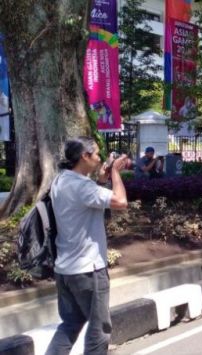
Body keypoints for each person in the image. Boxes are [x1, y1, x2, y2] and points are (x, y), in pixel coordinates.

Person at [47, 137, 129, 355]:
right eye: (96, 153)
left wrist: (101, 180)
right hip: (88, 270)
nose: (100, 158)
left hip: (65, 269)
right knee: (99, 329)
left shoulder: (61, 180)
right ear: (84, 156)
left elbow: (87, 203)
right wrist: (116, 174)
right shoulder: (81, 185)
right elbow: (121, 202)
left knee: (71, 324)